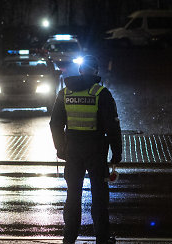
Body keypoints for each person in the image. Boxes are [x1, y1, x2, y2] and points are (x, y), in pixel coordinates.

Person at [49, 55, 122, 244]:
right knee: (99, 197)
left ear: (80, 70)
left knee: (73, 196)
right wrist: (117, 152)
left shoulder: (64, 93)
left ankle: (69, 238)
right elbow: (112, 127)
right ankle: (102, 239)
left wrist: (60, 148)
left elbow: (55, 123)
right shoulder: (101, 93)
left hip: (72, 151)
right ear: (96, 70)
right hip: (96, 151)